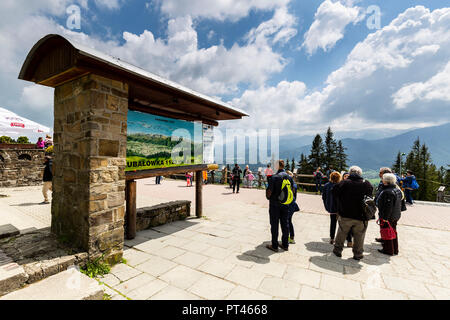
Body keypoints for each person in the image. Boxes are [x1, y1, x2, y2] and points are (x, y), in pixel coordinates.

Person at [332, 166, 373, 260]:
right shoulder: (366, 183)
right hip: (362, 216)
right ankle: (358, 254)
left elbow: (334, 192)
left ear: (350, 173)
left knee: (341, 233)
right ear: (360, 174)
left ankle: (337, 251)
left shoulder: (344, 182)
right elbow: (370, 197)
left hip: (345, 214)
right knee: (359, 236)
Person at [265, 160, 294, 252]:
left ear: (277, 166)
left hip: (275, 204)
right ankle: (285, 245)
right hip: (286, 204)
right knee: (285, 224)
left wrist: (268, 197)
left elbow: (269, 192)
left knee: (274, 224)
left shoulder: (274, 177)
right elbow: (292, 190)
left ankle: (274, 245)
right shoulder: (289, 177)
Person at [322, 171, 353, 245]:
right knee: (345, 225)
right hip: (341, 209)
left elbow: (323, 197)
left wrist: (327, 206)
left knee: (333, 224)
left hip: (332, 208)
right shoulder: (341, 185)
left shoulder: (326, 185)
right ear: (339, 177)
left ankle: (332, 239)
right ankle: (349, 241)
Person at [376, 173, 403, 255]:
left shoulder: (388, 192)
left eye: (383, 179)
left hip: (388, 216)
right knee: (393, 231)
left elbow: (388, 206)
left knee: (387, 232)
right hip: (396, 215)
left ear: (386, 181)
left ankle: (388, 250)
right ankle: (395, 249)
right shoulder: (397, 190)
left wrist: (385, 218)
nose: (382, 180)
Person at [286, 170, 299, 244]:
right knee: (289, 221)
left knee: (287, 221)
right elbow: (295, 196)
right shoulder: (295, 184)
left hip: (288, 204)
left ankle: (289, 237)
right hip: (293, 204)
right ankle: (291, 237)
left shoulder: (289, 184)